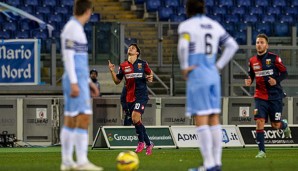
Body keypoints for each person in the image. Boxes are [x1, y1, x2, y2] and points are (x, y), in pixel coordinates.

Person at [177, 0, 239, 171]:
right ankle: (216, 163)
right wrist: (218, 66)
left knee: (201, 119)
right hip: (213, 74)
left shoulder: (186, 26)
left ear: (188, 9)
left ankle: (209, 164)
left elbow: (183, 47)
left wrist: (184, 68)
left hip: (198, 74)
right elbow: (232, 45)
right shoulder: (214, 25)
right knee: (214, 118)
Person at [60, 0, 103, 170]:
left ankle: (68, 161)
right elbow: (68, 57)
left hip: (78, 79)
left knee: (71, 119)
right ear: (88, 11)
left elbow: (79, 60)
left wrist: (87, 82)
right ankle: (81, 161)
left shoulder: (76, 28)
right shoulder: (73, 28)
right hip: (74, 79)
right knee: (83, 117)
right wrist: (74, 82)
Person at [245, 33, 291, 158]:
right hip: (260, 96)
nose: (259, 45)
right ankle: (262, 151)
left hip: (275, 96)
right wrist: (249, 80)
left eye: (261, 42)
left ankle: (284, 125)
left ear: (267, 45)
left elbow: (285, 73)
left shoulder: (274, 58)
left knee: (275, 125)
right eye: (257, 42)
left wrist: (276, 80)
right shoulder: (252, 60)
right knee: (259, 121)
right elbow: (252, 74)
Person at [108, 43, 154, 155]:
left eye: (133, 48)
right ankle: (149, 144)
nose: (130, 48)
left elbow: (150, 73)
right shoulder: (123, 65)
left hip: (141, 95)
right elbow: (117, 81)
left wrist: (150, 77)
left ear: (137, 53)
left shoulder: (143, 64)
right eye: (130, 47)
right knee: (137, 121)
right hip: (129, 97)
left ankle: (141, 142)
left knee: (134, 117)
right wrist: (111, 71)